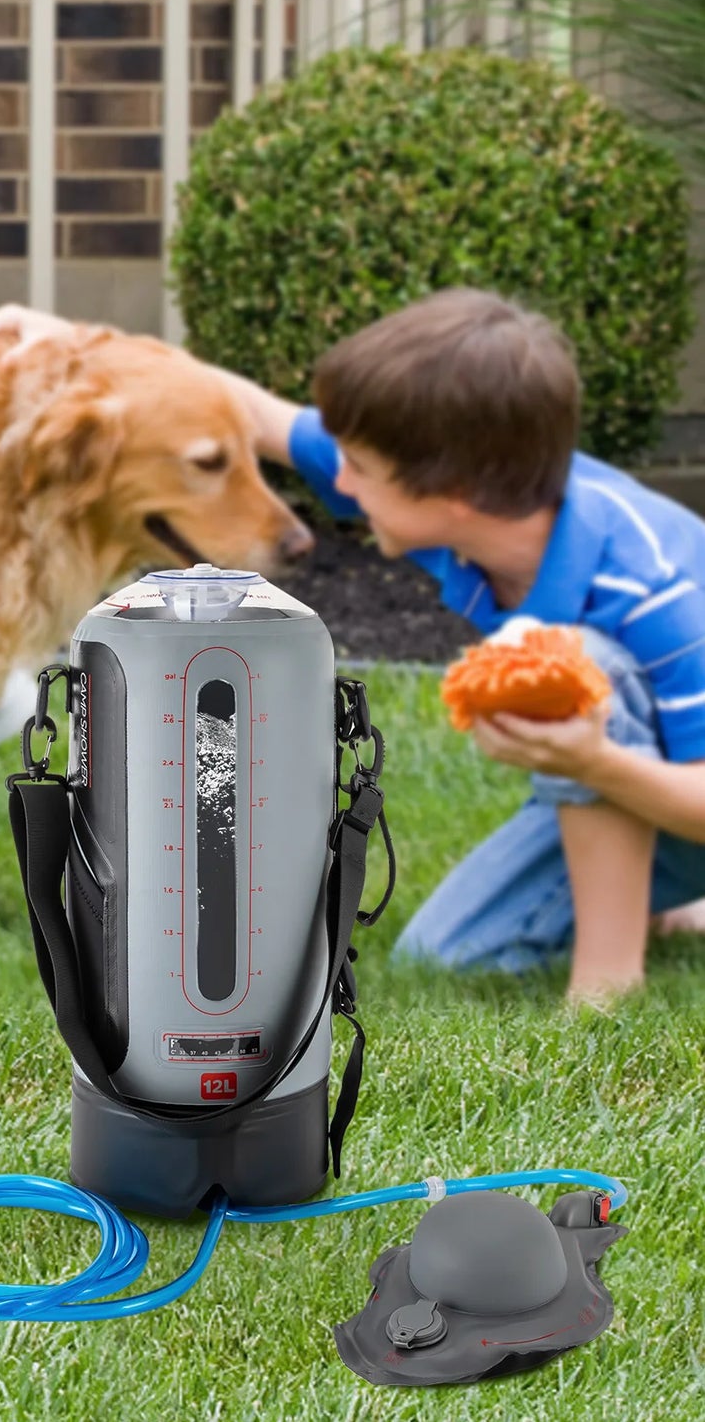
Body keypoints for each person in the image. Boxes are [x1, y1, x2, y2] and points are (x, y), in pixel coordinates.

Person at [217, 287, 705, 1004]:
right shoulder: (469, 494)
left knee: (581, 658)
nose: (338, 482)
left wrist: (591, 759)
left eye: (358, 467)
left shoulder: (654, 587)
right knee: (447, 958)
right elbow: (254, 414)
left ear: (454, 493)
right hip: (646, 776)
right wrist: (70, 344)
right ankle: (672, 902)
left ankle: (608, 981)